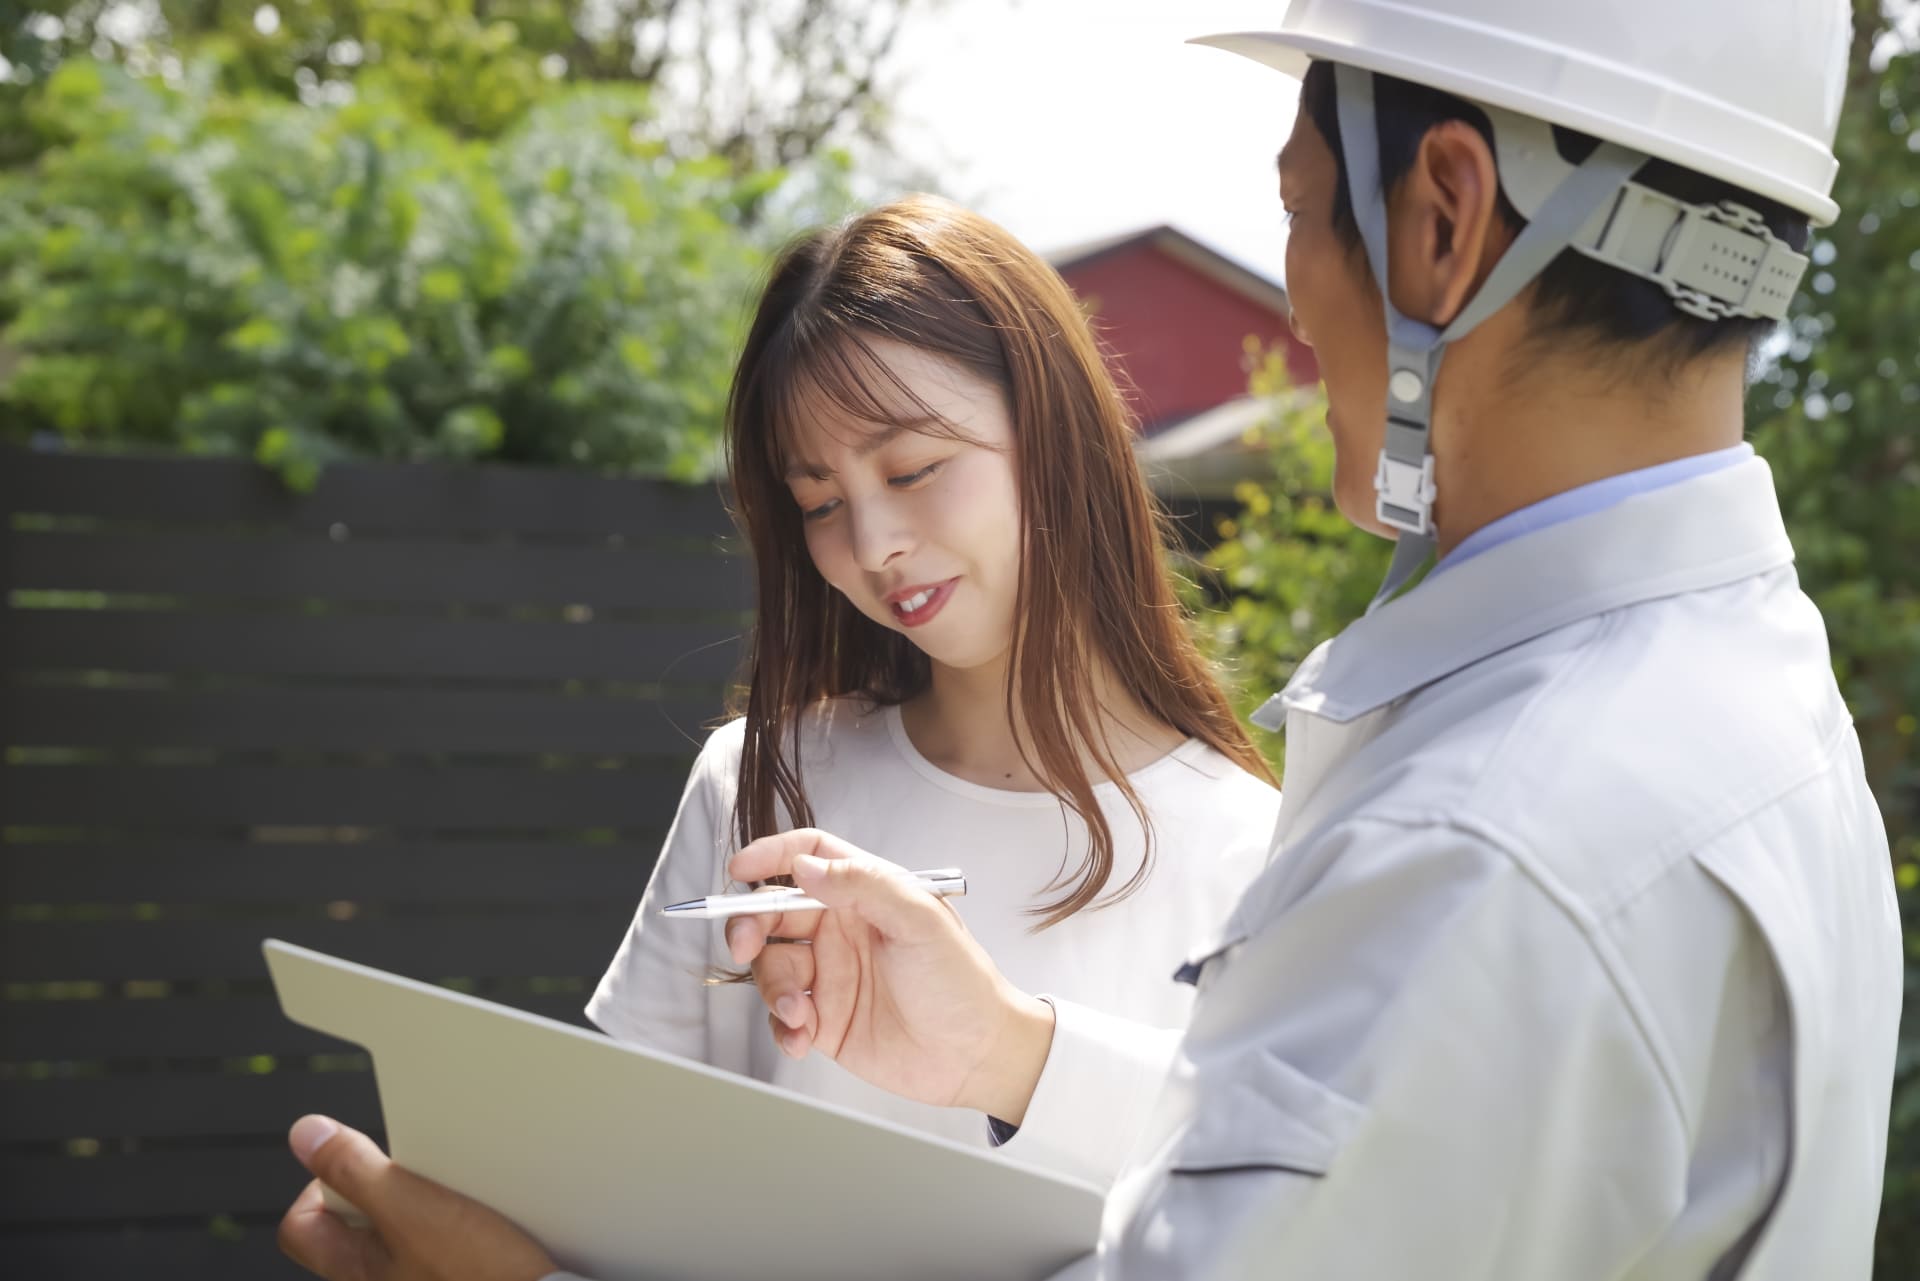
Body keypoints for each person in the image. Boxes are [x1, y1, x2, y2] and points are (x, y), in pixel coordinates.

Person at [277, 3, 1905, 1279]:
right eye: (816, 497)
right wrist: (1013, 1052)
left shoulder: (1488, 842)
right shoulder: (1756, 724)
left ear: (1446, 217)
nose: (1289, 297)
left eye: (1294, 211)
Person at [581, 193, 1280, 1181]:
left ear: (1055, 432)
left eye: (912, 469)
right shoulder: (759, 780)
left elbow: (1294, 1204)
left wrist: (1014, 1055)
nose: (873, 545)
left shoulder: (1252, 853)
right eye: (819, 502)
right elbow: (617, 1171)